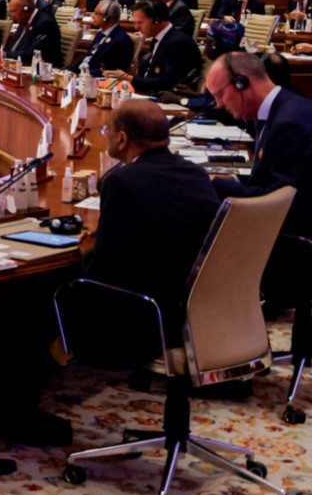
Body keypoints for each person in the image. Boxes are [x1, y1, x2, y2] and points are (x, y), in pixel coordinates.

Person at [58, 99, 225, 364]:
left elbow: (107, 272)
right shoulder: (196, 173)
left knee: (57, 285)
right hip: (202, 308)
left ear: (122, 139)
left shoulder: (122, 182)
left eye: (107, 130)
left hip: (147, 316)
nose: (106, 135)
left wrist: (90, 251)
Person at [205, 51, 312, 201]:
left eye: (220, 95)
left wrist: (215, 184)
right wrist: (232, 179)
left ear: (241, 83)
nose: (219, 105)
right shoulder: (275, 111)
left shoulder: (290, 124)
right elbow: (266, 181)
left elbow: (278, 201)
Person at [127, 0, 204, 96]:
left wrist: (132, 79)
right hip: (148, 94)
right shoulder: (158, 39)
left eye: (140, 23)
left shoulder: (178, 43)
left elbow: (168, 82)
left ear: (157, 20)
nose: (136, 27)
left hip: (168, 98)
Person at [0, 0, 61, 65]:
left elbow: (32, 52)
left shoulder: (46, 23)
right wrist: (3, 53)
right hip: (21, 63)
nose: (12, 17)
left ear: (26, 9)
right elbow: (16, 47)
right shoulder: (24, 20)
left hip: (42, 67)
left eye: (13, 12)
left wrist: (9, 56)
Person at [77, 0, 134, 77]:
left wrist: (84, 74)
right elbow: (90, 57)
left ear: (107, 18)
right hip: (83, 74)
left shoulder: (122, 40)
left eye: (97, 13)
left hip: (95, 79)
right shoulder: (100, 34)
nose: (93, 16)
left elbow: (109, 70)